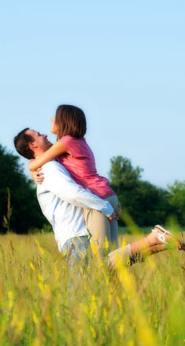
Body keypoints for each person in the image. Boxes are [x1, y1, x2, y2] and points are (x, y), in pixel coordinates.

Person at [14, 128, 185, 270]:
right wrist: (105, 206)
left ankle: (154, 239)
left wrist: (105, 206)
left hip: (78, 234)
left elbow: (74, 191)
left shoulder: (50, 167)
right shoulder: (49, 168)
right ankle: (159, 243)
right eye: (38, 135)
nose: (45, 134)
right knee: (109, 268)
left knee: (92, 280)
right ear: (32, 145)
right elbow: (71, 191)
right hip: (78, 233)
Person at [27, 105, 120, 255]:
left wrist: (31, 168)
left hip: (97, 198)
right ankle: (151, 243)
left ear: (64, 121)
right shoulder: (77, 141)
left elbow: (38, 161)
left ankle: (152, 241)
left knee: (101, 258)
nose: (51, 119)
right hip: (107, 194)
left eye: (55, 117)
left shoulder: (65, 142)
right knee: (114, 256)